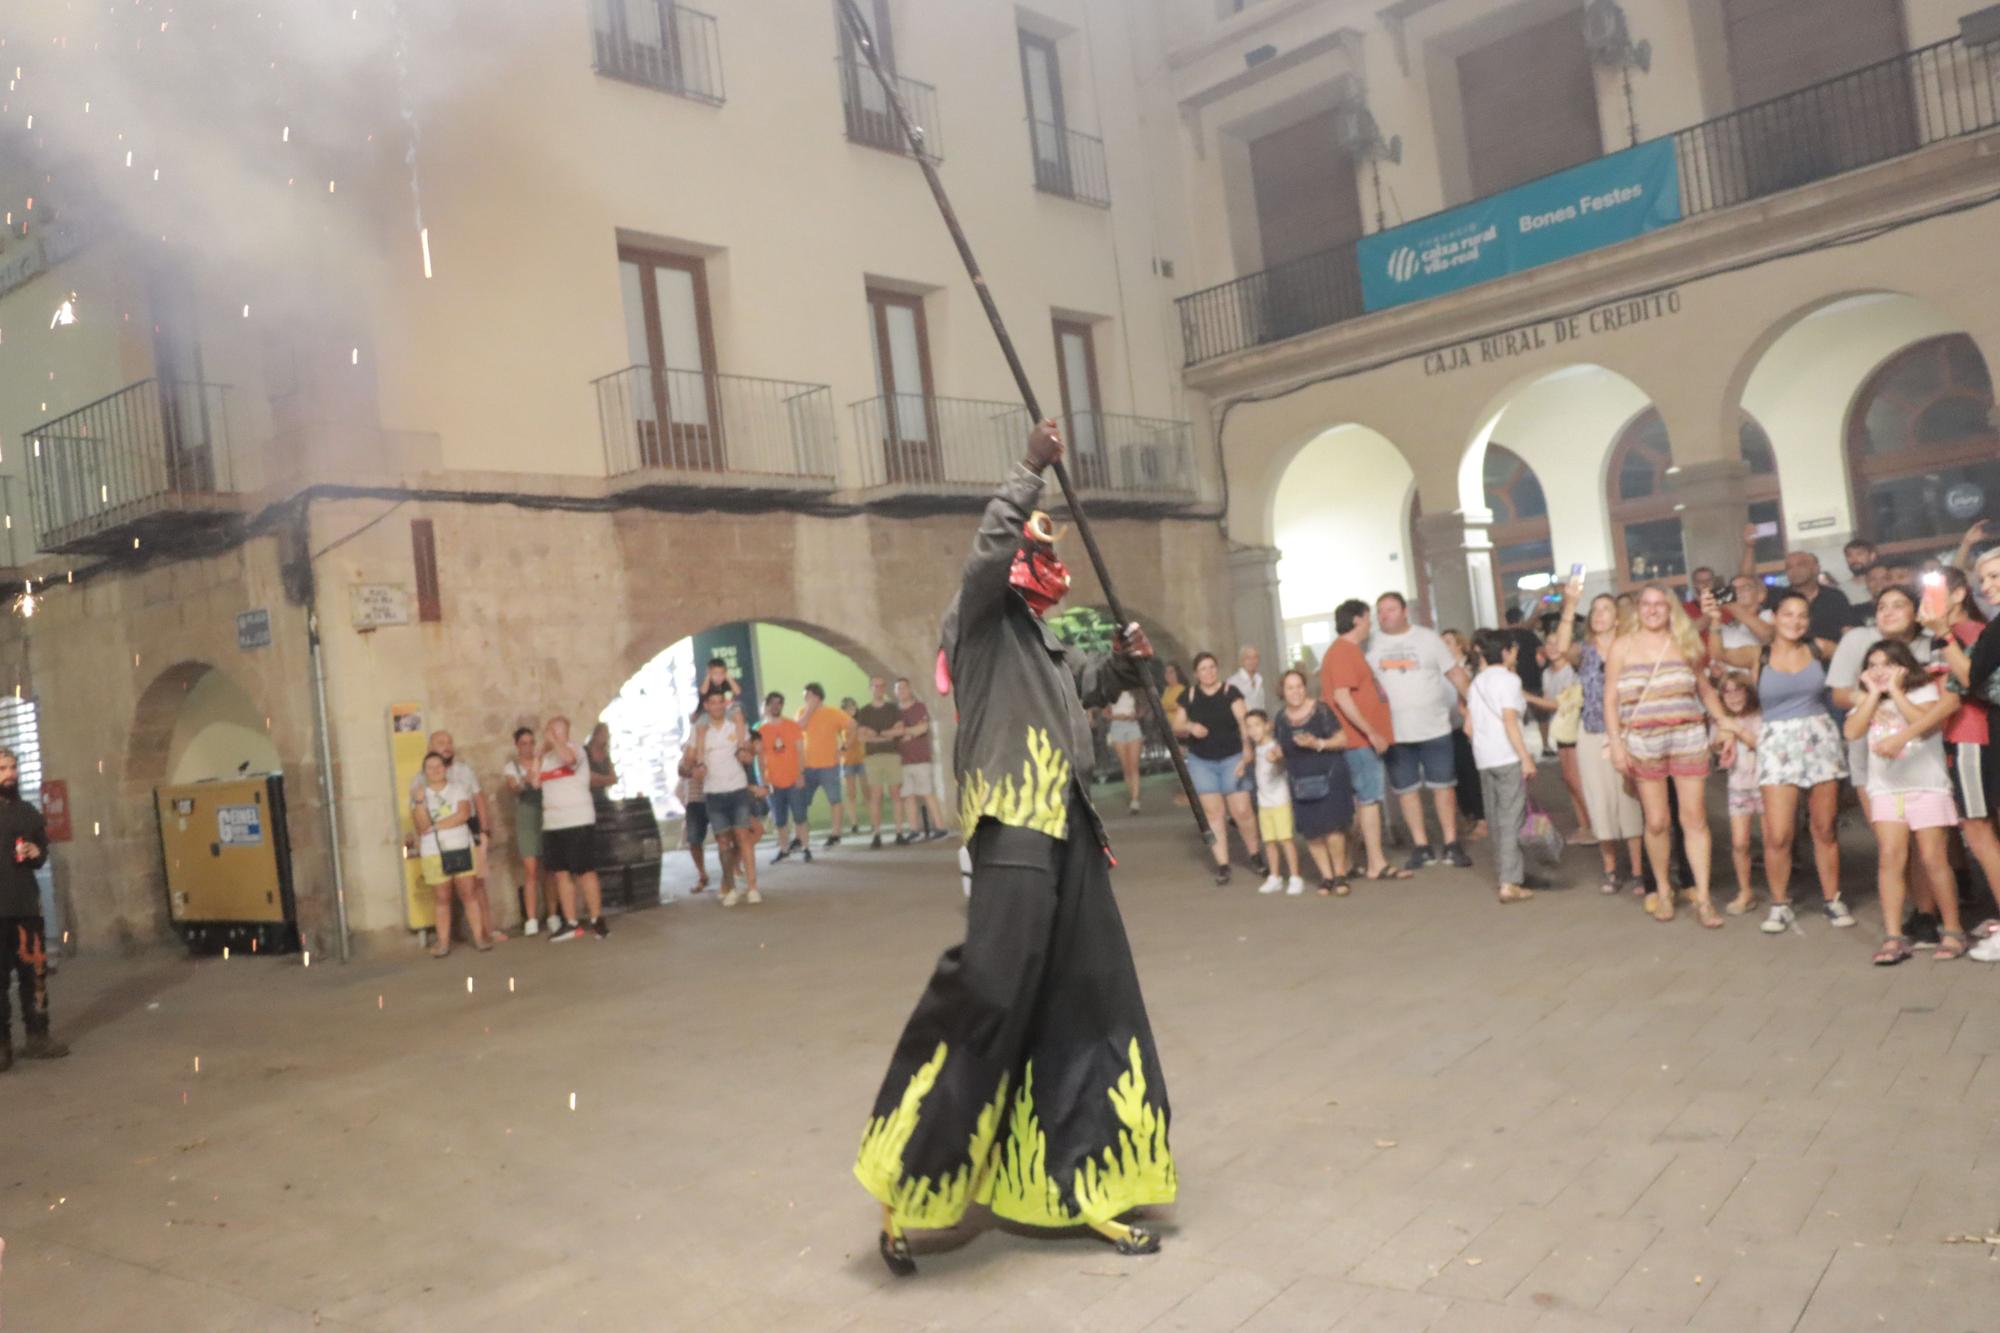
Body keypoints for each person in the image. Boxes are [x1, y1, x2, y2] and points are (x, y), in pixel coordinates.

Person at [855, 419, 1173, 1272]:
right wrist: (1028, 471)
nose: (1048, 549)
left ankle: (1090, 1179)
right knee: (990, 998)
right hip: (1014, 831)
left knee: (1095, 998)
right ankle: (908, 1178)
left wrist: (1129, 666)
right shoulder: (982, 621)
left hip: (1070, 830)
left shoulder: (1044, 639)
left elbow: (1084, 693)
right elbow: (983, 556)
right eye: (1040, 535)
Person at [1706, 590, 1853, 935]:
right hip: (1776, 743)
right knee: (1778, 834)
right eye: (1788, 614)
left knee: (1824, 828)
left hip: (1819, 739)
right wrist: (1714, 622)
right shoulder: (1760, 654)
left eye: (1802, 615)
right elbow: (1718, 653)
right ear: (1775, 617)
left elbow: (1859, 657)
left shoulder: (1820, 649)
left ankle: (1833, 899)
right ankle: (1780, 903)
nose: (1795, 621)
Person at [1607, 586, 1726, 926]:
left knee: (1694, 819)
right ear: (1638, 609)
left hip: (1687, 734)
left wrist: (1724, 723)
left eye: (1660, 604)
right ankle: (1662, 890)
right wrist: (1616, 743)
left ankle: (1703, 898)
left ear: (1671, 608)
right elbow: (1609, 698)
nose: (1653, 610)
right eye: (1646, 604)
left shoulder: (1685, 642)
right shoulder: (1622, 646)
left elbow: (1703, 688)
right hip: (1644, 739)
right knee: (1657, 821)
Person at [1844, 641, 1966, 963]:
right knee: (1890, 857)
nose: (1879, 670)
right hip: (1886, 789)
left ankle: (1953, 930)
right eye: (1872, 665)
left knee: (1932, 858)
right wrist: (1872, 694)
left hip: (1927, 786)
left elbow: (1926, 726)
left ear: (1903, 666)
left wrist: (1897, 692)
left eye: (1886, 663)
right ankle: (1894, 935)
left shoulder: (1924, 690)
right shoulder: (1869, 700)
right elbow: (1852, 731)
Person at [1549, 581, 1647, 895]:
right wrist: (1569, 605)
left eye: (1606, 609)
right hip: (1591, 731)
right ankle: (1610, 869)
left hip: (1625, 731)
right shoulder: (1585, 651)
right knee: (1599, 800)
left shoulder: (1630, 646)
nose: (1599, 615)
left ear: (1618, 617)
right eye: (1594, 611)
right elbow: (1562, 648)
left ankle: (1637, 870)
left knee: (1628, 801)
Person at [1368, 592, 1473, 871]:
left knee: (1444, 787)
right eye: (1380, 611)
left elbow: (1456, 675)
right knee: (1406, 791)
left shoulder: (1428, 639)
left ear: (1405, 612)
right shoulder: (1372, 646)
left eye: (1390, 609)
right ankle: (1421, 846)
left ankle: (1451, 843)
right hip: (1395, 733)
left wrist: (1477, 705)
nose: (1384, 615)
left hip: (1435, 727)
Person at [1923, 563, 2000, 936]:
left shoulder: (1968, 631)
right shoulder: (1950, 633)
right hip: (1961, 738)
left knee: (1980, 833)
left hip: (1972, 736)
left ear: (1957, 594)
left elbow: (1965, 685)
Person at [1321, 600, 1408, 883]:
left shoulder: (1347, 651)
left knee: (1363, 802)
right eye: (1368, 618)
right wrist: (1371, 732)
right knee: (1369, 801)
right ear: (1357, 620)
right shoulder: (1343, 652)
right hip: (1357, 742)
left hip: (1359, 740)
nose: (1371, 623)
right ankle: (1376, 863)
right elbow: (1342, 697)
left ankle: (1352, 862)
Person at [0, 749, 64, 1068]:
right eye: (2, 768)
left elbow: (42, 854)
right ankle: (2, 1046)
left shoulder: (28, 813)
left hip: (27, 909)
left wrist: (37, 851)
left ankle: (38, 1036)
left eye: (12, 767)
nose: (9, 773)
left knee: (34, 976)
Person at [408, 732, 504, 940]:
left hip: (467, 827)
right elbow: (418, 818)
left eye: (450, 742)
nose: (447, 746)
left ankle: (486, 932)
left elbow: (477, 799)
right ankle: (452, 936)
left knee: (476, 884)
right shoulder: (419, 779)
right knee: (444, 892)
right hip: (437, 840)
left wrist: (484, 829)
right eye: (441, 743)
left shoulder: (463, 771)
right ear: (430, 747)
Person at [1465, 630, 1537, 904]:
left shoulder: (1477, 683)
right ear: (1505, 652)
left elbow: (1469, 727)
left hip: (1484, 759)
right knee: (1510, 818)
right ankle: (1510, 881)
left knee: (1496, 819)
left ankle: (1505, 873)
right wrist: (1526, 757)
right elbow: (1509, 721)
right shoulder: (1509, 680)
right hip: (1507, 756)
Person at [1178, 651, 1261, 885]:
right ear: (1196, 673)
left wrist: (1247, 749)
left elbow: (1243, 722)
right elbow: (1176, 724)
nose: (1209, 672)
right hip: (1202, 761)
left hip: (1231, 757)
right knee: (1214, 814)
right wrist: (1190, 726)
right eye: (1203, 668)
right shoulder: (1190, 695)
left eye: (1212, 667)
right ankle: (1222, 864)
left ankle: (1255, 855)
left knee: (1242, 810)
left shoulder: (1230, 692)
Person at [1275, 667, 1354, 896]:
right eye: (1290, 688)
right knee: (1311, 831)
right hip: (1300, 779)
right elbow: (1282, 747)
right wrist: (1276, 754)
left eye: (1299, 686)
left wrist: (1317, 743)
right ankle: (1326, 876)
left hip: (1329, 774)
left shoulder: (1321, 710)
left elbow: (1342, 739)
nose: (1296, 692)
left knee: (1332, 828)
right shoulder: (1281, 718)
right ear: (1283, 691)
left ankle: (1340, 874)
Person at [687, 689, 760, 907]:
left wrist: (747, 755)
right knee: (722, 842)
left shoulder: (736, 725)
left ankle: (753, 887)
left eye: (721, 702)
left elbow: (748, 751)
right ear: (707, 706)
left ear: (724, 704)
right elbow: (689, 760)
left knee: (743, 837)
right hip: (713, 792)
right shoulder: (699, 730)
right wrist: (694, 769)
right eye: (713, 703)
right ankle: (730, 888)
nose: (717, 706)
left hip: (737, 789)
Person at [539, 716, 607, 941]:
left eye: (558, 731)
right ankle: (571, 922)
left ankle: (597, 919)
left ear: (566, 732)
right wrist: (538, 754)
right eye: (551, 731)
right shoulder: (546, 758)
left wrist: (557, 742)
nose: (554, 735)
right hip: (553, 823)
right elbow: (534, 782)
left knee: (585, 870)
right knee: (561, 873)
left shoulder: (576, 750)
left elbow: (568, 760)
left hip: (578, 820)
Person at [1737, 528, 1854, 655]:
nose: (1794, 570)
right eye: (1789, 567)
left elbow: (1848, 633)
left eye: (1801, 564)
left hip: (1829, 661)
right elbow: (1747, 579)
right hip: (1787, 665)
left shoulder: (1835, 597)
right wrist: (1749, 547)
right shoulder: (1778, 596)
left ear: (1816, 568)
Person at [1713, 677, 1763, 917]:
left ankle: (1778, 892)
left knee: (1773, 840)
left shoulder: (1760, 715)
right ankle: (1745, 891)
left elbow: (1761, 744)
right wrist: (1722, 741)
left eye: (1738, 690)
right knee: (1740, 842)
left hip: (1764, 785)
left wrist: (1737, 730)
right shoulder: (1722, 721)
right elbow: (1714, 746)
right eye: (1726, 692)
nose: (1733, 697)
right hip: (1738, 785)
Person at [1438, 629, 1488, 841]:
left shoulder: (1470, 668)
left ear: (1459, 644)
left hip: (1467, 727)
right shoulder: (1438, 671)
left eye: (1448, 642)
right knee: (1455, 776)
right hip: (1446, 728)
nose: (1444, 646)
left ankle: (1482, 819)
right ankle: (1467, 814)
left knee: (1471, 775)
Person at [1245, 711, 1302, 896]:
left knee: (1286, 839)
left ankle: (1295, 877)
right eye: (1249, 726)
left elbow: (1282, 764)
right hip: (1264, 802)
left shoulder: (1274, 746)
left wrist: (1277, 758)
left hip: (1280, 800)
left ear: (1267, 725)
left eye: (1257, 725)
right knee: (1269, 841)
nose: (1253, 730)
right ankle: (1275, 876)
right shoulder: (1257, 748)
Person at [500, 726, 549, 935]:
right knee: (530, 870)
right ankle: (531, 918)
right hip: (527, 818)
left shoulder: (544, 763)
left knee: (549, 870)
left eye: (531, 743)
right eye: (524, 743)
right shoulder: (512, 768)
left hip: (546, 814)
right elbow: (514, 788)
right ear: (517, 746)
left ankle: (553, 913)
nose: (528, 747)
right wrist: (525, 780)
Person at [1543, 648, 1594, 839]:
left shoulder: (1574, 674)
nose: (1553, 646)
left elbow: (1560, 704)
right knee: (1569, 779)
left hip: (1574, 729)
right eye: (1550, 642)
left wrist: (1527, 696)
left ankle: (1593, 826)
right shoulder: (1547, 673)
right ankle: (1583, 826)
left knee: (1576, 780)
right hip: (1562, 729)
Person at [758, 693, 812, 864]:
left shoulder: (792, 726)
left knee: (800, 816)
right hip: (773, 781)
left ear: (782, 705)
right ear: (766, 706)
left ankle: (805, 847)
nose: (775, 706)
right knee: (779, 819)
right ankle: (784, 849)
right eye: (772, 703)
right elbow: (759, 758)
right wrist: (763, 781)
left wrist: (801, 774)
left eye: (779, 703)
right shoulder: (761, 731)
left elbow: (800, 751)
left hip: (794, 779)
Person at [854, 677, 907, 850]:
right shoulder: (864, 711)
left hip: (892, 755)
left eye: (882, 685)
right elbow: (861, 737)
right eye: (875, 686)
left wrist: (874, 735)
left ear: (885, 688)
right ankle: (877, 834)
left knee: (896, 795)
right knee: (875, 796)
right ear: (870, 688)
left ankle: (899, 832)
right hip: (873, 758)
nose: (879, 688)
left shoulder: (893, 708)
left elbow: (899, 731)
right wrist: (885, 735)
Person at [893, 677, 948, 841]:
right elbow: (892, 733)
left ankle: (940, 826)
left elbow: (922, 728)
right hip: (902, 761)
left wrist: (905, 732)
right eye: (898, 689)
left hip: (921, 759)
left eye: (904, 688)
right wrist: (910, 732)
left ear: (910, 689)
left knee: (927, 793)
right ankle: (914, 829)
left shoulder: (920, 707)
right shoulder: (894, 712)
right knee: (908, 796)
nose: (901, 691)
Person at [798, 684, 852, 847]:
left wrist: (843, 747)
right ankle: (801, 836)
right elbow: (798, 728)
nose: (805, 699)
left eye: (807, 696)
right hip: (807, 766)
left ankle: (836, 833)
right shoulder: (802, 712)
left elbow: (853, 727)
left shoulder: (833, 712)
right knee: (801, 802)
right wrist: (809, 710)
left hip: (829, 765)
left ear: (817, 696)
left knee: (834, 799)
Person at [1503, 605, 1549, 753]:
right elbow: (1541, 652)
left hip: (1512, 682)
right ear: (1521, 619)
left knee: (1516, 717)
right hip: (1532, 678)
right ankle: (1546, 745)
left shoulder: (1503, 637)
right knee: (1542, 714)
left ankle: (1519, 748)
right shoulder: (1529, 635)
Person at [1104, 688, 1145, 816]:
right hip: (1117, 727)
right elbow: (1104, 713)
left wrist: (1135, 715)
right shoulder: (1110, 691)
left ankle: (1135, 800)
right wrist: (1117, 716)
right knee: (1126, 766)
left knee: (1134, 765)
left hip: (1133, 726)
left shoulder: (1135, 690)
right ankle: (1132, 794)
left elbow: (1142, 709)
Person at [839, 695, 871, 834]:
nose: (851, 710)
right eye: (847, 708)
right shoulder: (841, 724)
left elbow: (863, 738)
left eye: (853, 707)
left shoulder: (861, 722)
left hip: (862, 759)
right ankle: (854, 823)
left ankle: (872, 821)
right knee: (851, 794)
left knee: (866, 792)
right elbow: (843, 742)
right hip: (847, 761)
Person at [585, 721, 619, 811]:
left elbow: (614, 779)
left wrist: (598, 780)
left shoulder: (605, 755)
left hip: (601, 798)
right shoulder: (584, 752)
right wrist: (605, 779)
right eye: (603, 734)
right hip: (587, 799)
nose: (605, 737)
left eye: (607, 734)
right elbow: (587, 777)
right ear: (595, 734)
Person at [1226, 645, 1266, 713]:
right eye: (1248, 658)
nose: (1252, 661)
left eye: (1255, 657)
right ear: (1241, 661)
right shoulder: (1232, 682)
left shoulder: (1259, 679)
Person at [1842, 537, 1880, 604]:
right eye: (1849, 555)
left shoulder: (1883, 584)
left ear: (1872, 556)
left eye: (1859, 554)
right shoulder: (1841, 591)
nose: (1854, 559)